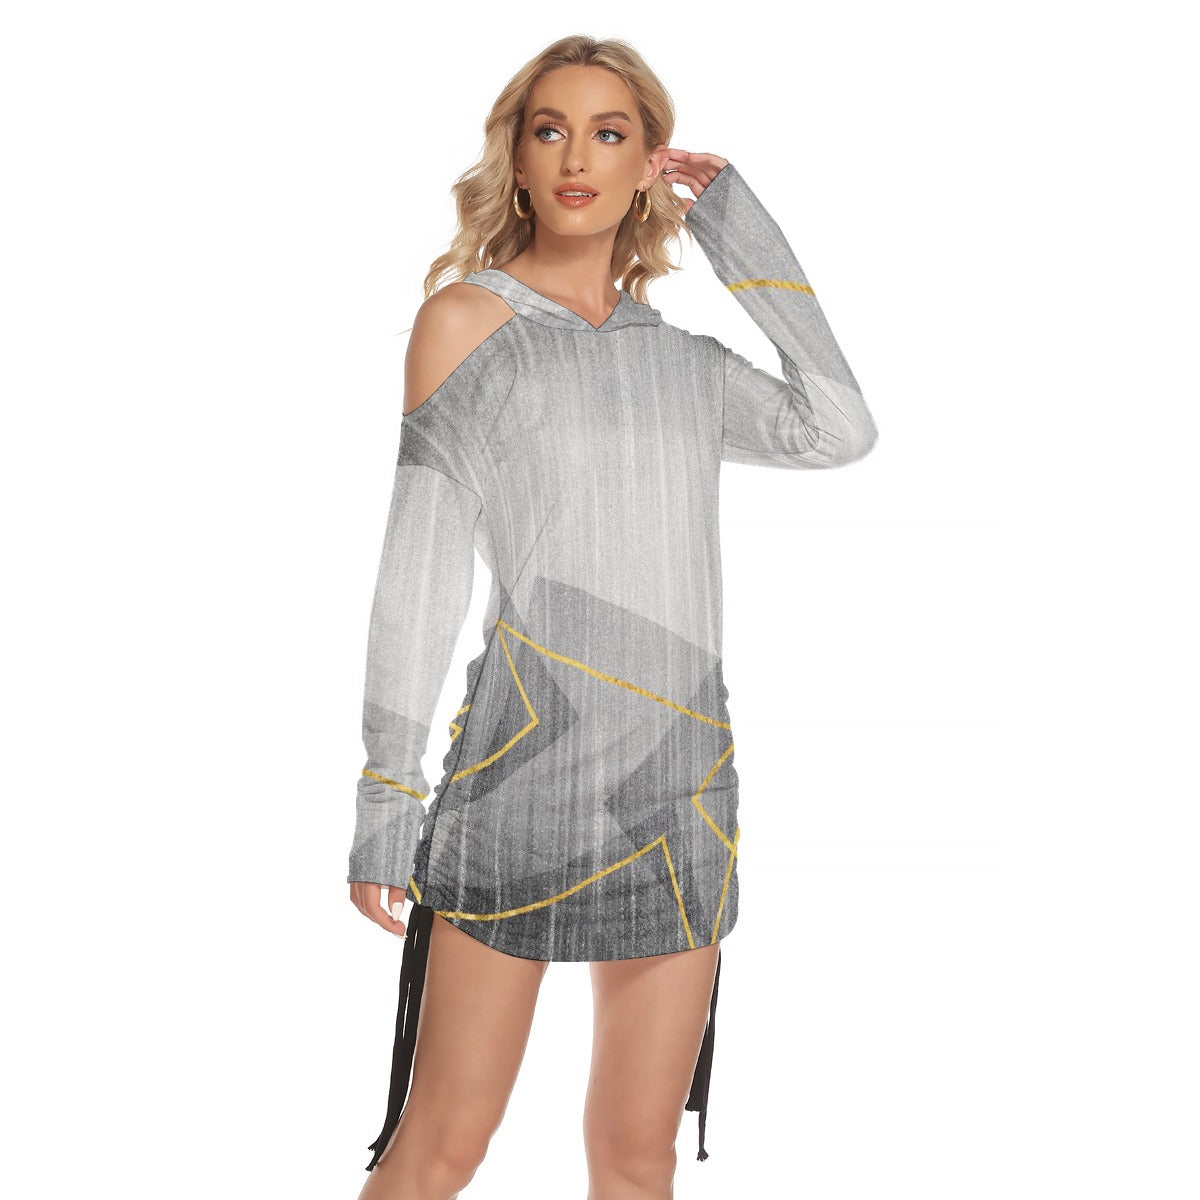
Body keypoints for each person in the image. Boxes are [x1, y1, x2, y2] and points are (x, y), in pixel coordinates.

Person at [347, 33, 878, 1200]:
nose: (576, 158)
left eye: (609, 133)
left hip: (677, 796)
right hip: (520, 783)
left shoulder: (685, 364)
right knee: (439, 1149)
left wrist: (740, 231)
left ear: (649, 167)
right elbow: (419, 570)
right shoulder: (467, 324)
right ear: (517, 158)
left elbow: (839, 428)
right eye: (550, 131)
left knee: (637, 1162)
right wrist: (388, 796)